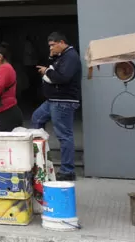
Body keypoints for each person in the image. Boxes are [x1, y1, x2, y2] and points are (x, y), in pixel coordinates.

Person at [31, 32, 81, 181]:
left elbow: (63, 77)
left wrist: (47, 71)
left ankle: (67, 170)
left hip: (63, 101)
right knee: (36, 119)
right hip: (53, 99)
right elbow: (56, 70)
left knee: (64, 135)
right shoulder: (62, 56)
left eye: (53, 45)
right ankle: (39, 158)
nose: (51, 48)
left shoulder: (71, 56)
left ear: (61, 42)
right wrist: (52, 60)